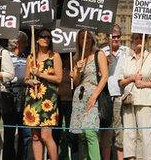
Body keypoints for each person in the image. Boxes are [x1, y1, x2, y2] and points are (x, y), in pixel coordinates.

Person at [118, 33, 151, 160]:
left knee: (147, 135)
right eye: (136, 38)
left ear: (147, 40)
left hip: (147, 101)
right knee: (129, 134)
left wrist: (144, 84)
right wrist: (132, 78)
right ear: (132, 41)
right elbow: (120, 82)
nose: (138, 40)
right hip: (129, 101)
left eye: (141, 38)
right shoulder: (126, 59)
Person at [23, 28, 62, 160]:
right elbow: (25, 78)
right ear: (37, 40)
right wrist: (30, 81)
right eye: (43, 36)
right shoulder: (31, 57)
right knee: (35, 137)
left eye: (48, 37)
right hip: (32, 98)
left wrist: (40, 74)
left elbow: (59, 78)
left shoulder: (54, 56)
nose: (46, 39)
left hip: (48, 100)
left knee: (46, 136)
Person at [70, 30, 108, 160]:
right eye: (82, 38)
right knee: (81, 134)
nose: (85, 41)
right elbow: (75, 82)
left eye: (88, 38)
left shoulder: (99, 54)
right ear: (78, 41)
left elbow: (104, 77)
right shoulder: (77, 58)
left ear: (92, 39)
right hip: (79, 98)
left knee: (90, 131)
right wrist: (78, 70)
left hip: (93, 96)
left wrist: (94, 96)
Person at [101, 24, 129, 160]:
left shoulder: (126, 51)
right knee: (106, 131)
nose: (116, 39)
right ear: (108, 38)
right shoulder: (102, 52)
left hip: (120, 95)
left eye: (118, 37)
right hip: (106, 95)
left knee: (119, 130)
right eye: (113, 37)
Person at [8, 32, 33, 160]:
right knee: (9, 133)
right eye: (24, 42)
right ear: (17, 43)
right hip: (10, 98)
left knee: (26, 133)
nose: (27, 45)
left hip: (25, 99)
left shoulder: (27, 58)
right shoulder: (6, 57)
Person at [54, 53, 78, 160]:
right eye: (64, 58)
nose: (66, 60)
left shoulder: (74, 70)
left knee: (70, 129)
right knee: (57, 129)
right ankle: (59, 152)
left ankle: (72, 153)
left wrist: (75, 76)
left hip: (70, 102)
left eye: (68, 58)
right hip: (59, 101)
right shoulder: (58, 70)